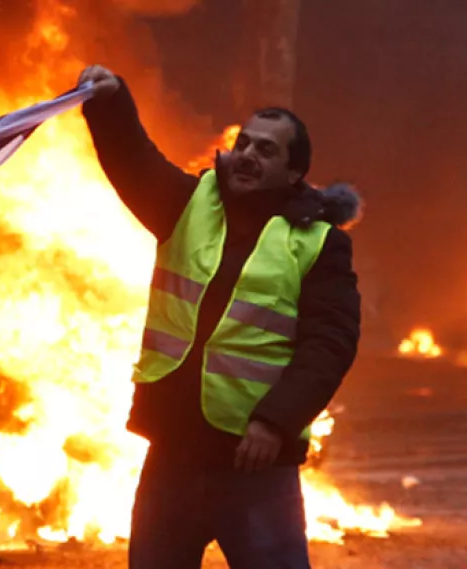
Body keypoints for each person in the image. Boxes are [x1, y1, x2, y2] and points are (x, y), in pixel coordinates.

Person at [78, 64, 362, 568]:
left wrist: (275, 424)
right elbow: (132, 160)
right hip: (172, 455)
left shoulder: (320, 245)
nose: (248, 155)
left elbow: (329, 345)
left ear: (295, 173)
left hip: (255, 465)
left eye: (266, 149)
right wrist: (110, 101)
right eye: (244, 143)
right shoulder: (187, 204)